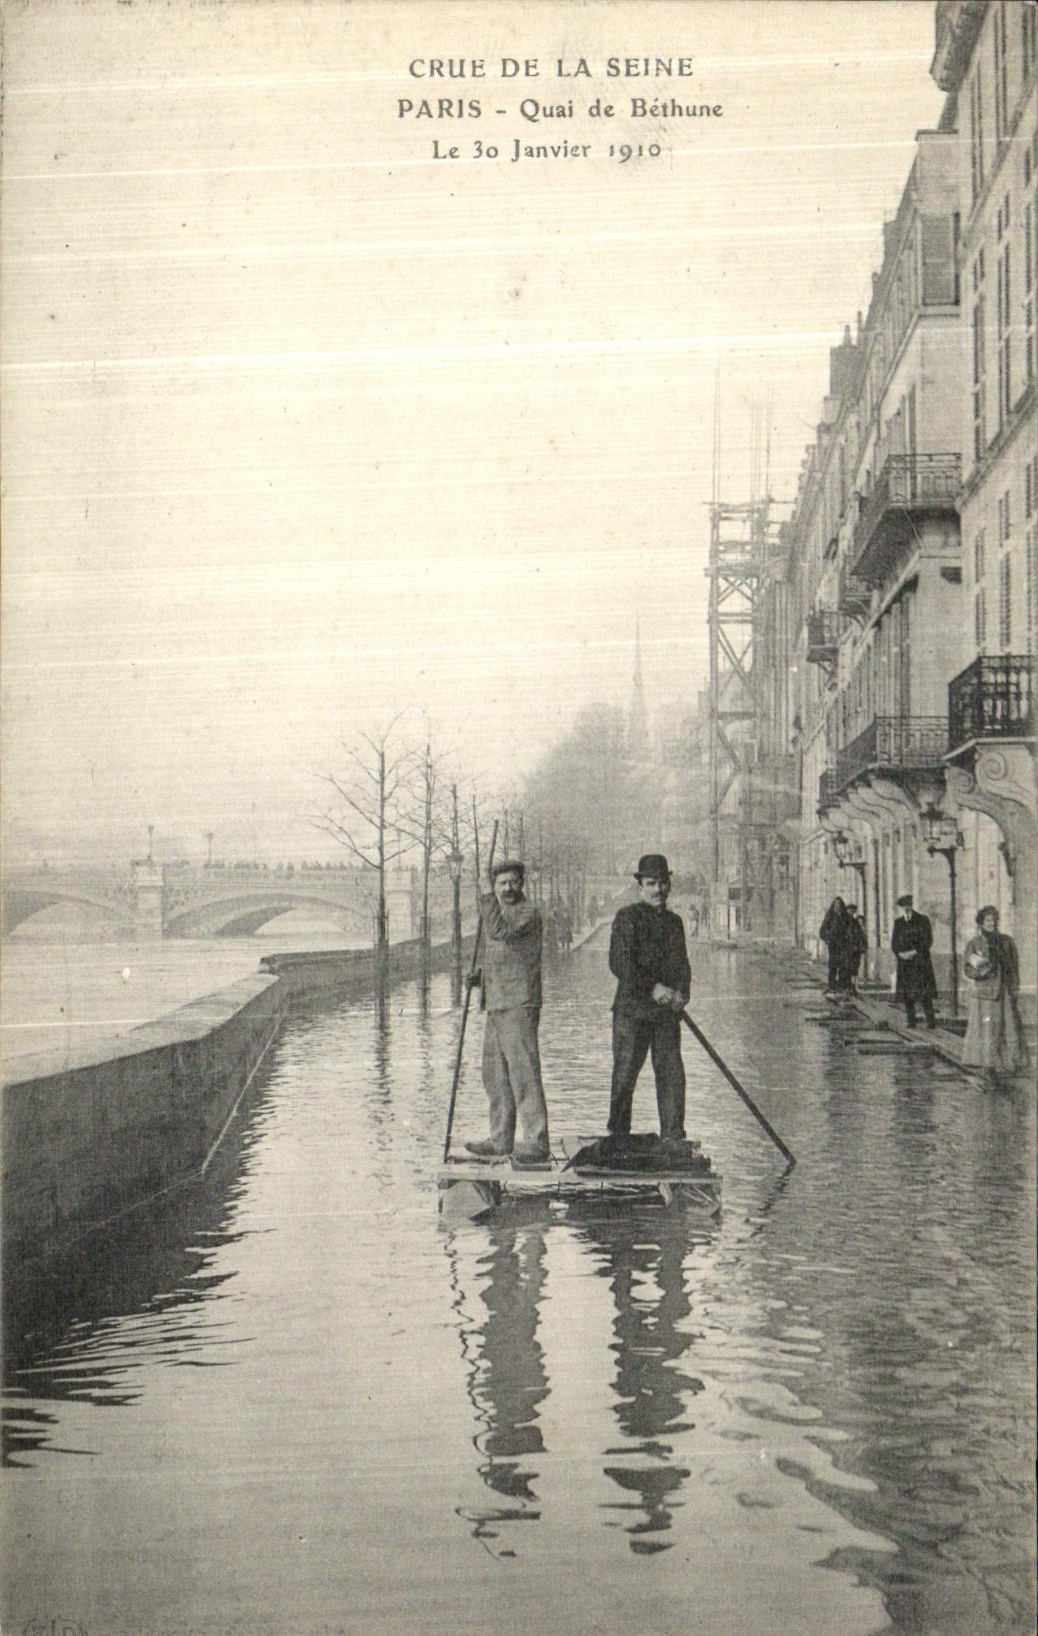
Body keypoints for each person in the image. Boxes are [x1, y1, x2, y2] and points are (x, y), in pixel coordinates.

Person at [465, 859, 550, 1164]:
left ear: (522, 883)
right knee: (495, 1074)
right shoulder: (496, 913)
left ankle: (537, 1142)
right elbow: (499, 955)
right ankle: (501, 1139)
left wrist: (485, 898)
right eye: (502, 883)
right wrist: (479, 975)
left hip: (519, 1001)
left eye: (513, 882)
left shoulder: (528, 913)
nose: (508, 888)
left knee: (524, 1072)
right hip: (496, 1001)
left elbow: (502, 934)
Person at [607, 853, 691, 1142]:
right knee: (625, 1075)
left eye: (663, 883)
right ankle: (618, 1137)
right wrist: (652, 988)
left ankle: (673, 1138)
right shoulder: (626, 918)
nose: (658, 889)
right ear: (640, 886)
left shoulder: (675, 923)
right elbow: (620, 963)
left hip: (666, 1014)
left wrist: (682, 993)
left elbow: (682, 965)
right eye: (652, 883)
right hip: (632, 1013)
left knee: (671, 1075)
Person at [961, 905, 1028, 1085]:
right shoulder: (975, 944)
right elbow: (968, 968)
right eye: (988, 921)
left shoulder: (1006, 941)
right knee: (988, 1032)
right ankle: (988, 1067)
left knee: (1010, 1026)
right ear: (981, 923)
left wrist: (1014, 987)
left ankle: (1012, 1063)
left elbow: (1014, 966)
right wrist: (981, 972)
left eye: (994, 920)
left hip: (1004, 991)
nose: (992, 923)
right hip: (985, 994)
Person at [891, 893, 937, 1028]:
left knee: (924, 993)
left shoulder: (922, 920)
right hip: (905, 963)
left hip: (920, 963)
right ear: (901, 908)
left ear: (912, 906)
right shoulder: (898, 923)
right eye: (903, 906)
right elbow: (894, 943)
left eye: (908, 906)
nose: (906, 908)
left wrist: (914, 952)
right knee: (907, 994)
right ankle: (911, 1021)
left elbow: (928, 940)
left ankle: (931, 1022)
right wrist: (900, 954)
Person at [819, 896, 855, 995]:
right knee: (833, 965)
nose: (838, 906)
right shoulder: (829, 916)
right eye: (836, 904)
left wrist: (850, 940)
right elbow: (822, 931)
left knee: (844, 965)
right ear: (834, 905)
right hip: (834, 945)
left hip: (844, 944)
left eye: (839, 904)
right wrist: (827, 939)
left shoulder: (845, 916)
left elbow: (851, 928)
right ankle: (832, 986)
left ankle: (843, 986)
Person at [846, 903, 868, 993]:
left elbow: (861, 936)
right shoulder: (843, 921)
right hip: (847, 949)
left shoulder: (856, 922)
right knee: (848, 967)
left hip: (856, 949)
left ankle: (853, 987)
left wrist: (862, 946)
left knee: (855, 967)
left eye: (853, 911)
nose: (851, 913)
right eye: (850, 911)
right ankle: (848, 987)